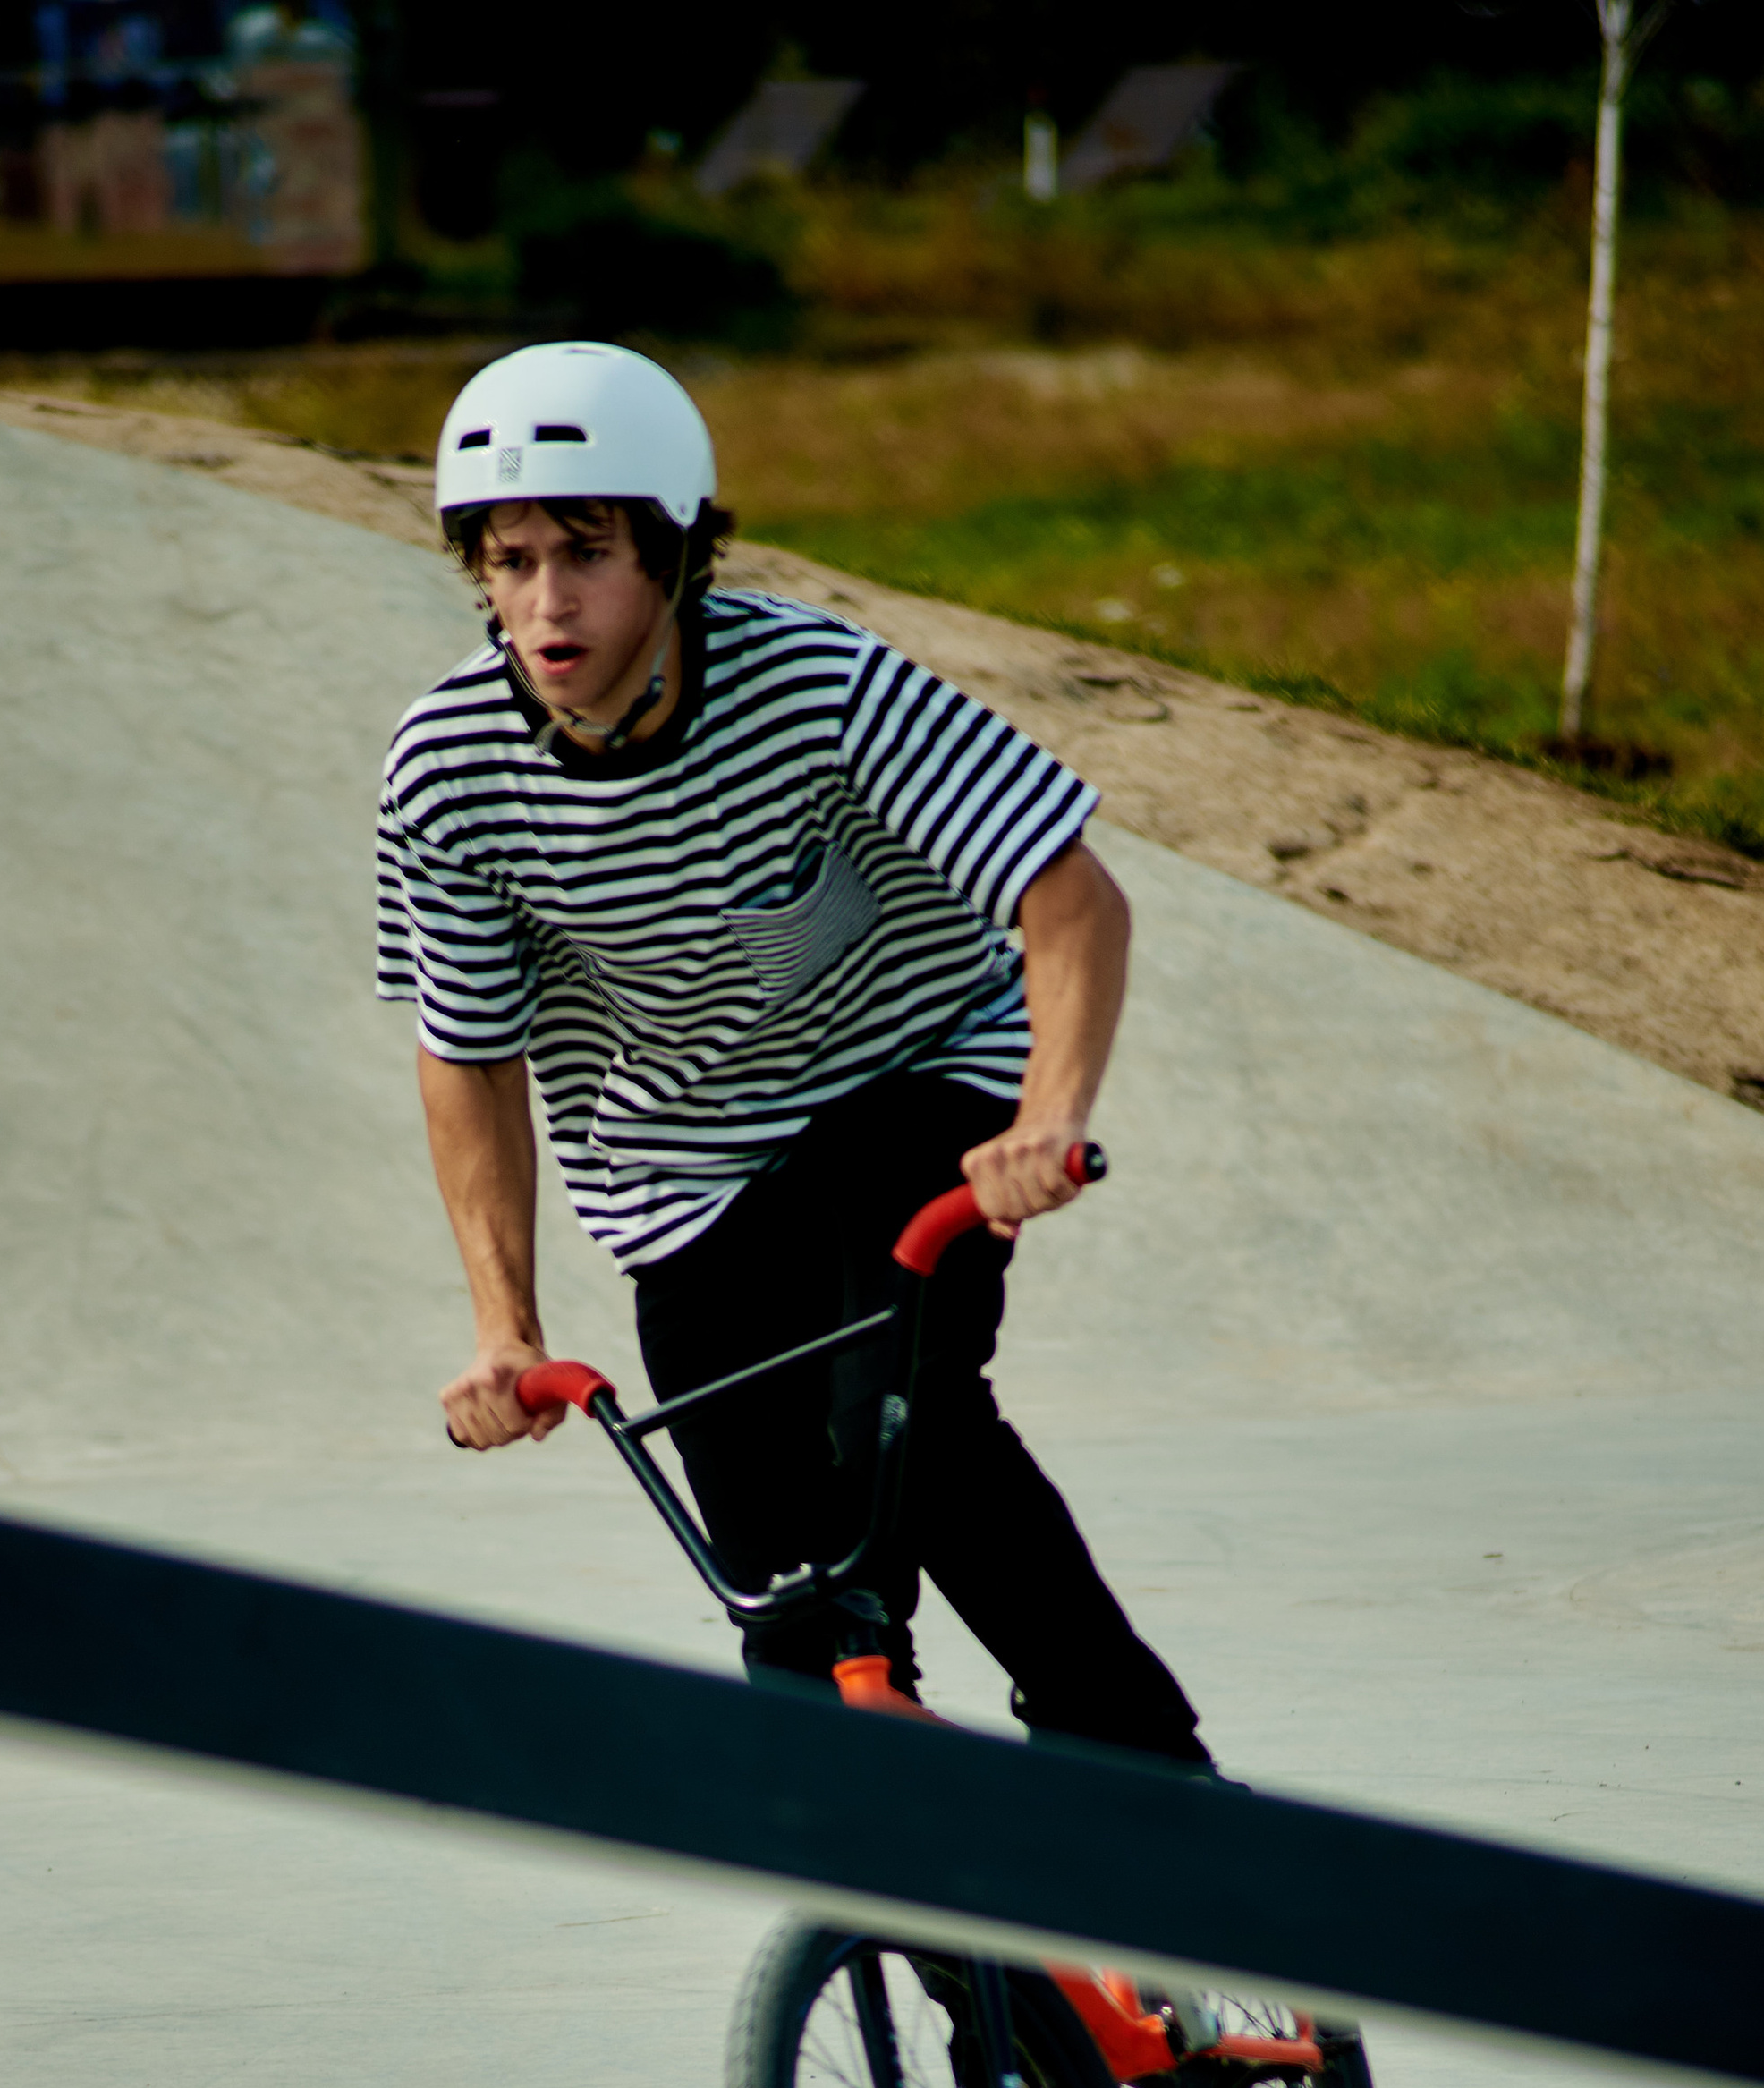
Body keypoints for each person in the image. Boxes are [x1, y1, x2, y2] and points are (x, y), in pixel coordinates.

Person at [377, 340, 1210, 1769]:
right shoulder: (447, 768)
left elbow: (1069, 896)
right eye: (510, 561)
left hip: (912, 1083)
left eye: (586, 551)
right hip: (683, 1181)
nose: (547, 601)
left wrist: (1047, 1118)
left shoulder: (822, 685)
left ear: (678, 554)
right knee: (791, 1620)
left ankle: (1135, 1772)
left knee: (895, 1415)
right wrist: (504, 1325)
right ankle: (965, 1981)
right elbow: (466, 1053)